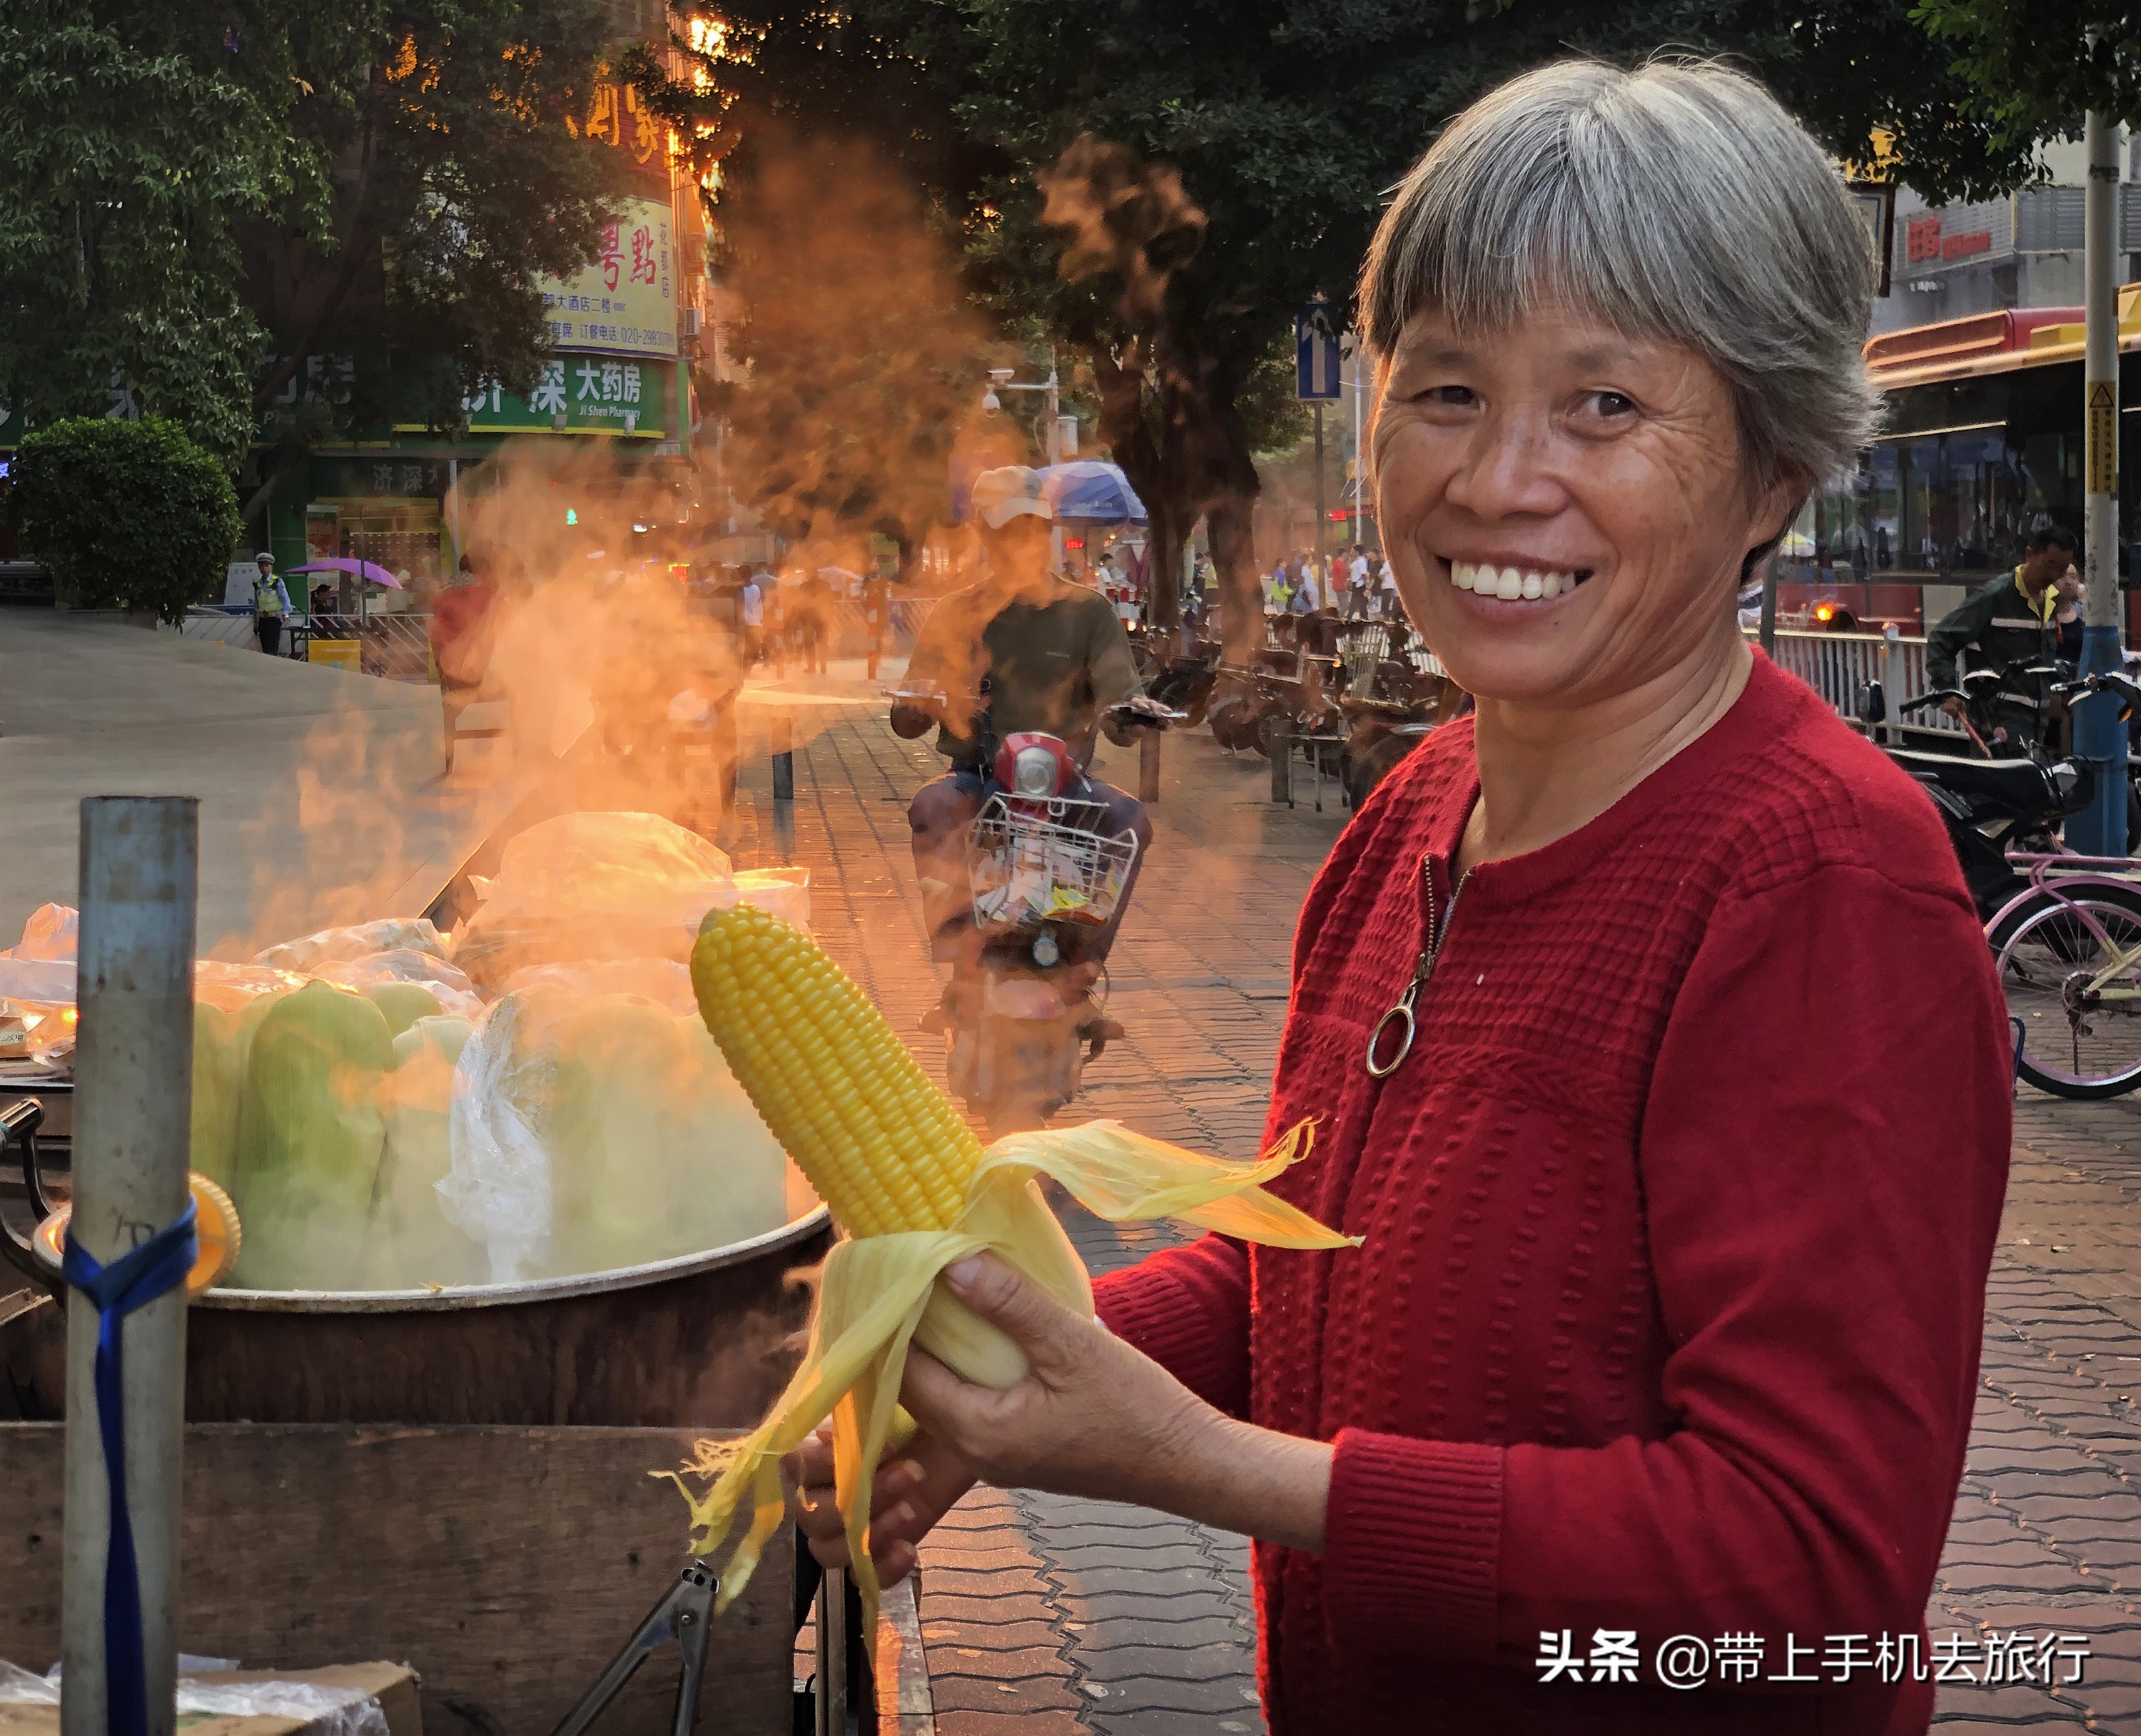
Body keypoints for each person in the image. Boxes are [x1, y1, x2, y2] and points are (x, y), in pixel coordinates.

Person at [791, 59, 2009, 1736]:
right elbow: (1310, 1268)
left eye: (1602, 407)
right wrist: (982, 1354)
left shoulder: (1821, 883)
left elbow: (1810, 1567)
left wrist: (1201, 1465)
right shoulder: (1413, 811)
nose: (1497, 480)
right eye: (1443, 391)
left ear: (1772, 471)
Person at [895, 465, 1167, 980]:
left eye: (1034, 528)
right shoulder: (956, 613)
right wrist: (921, 705)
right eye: (1007, 530)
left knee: (1131, 822)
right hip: (978, 779)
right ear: (983, 534)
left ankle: (1087, 961)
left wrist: (1134, 716)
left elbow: (1120, 701)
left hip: (1066, 785)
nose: (1023, 542)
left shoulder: (1087, 611)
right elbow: (908, 716)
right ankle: (957, 946)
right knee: (931, 807)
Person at [1923, 524, 2079, 749]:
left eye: (2062, 569)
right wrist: (1946, 689)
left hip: (2037, 729)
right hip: (1995, 726)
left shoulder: (2051, 602)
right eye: (2049, 565)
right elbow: (1941, 638)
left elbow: (2040, 665)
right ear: (2029, 554)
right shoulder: (1995, 597)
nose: (2054, 575)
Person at [250, 552, 292, 654]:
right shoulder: (258, 584)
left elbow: (285, 599)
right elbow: (256, 604)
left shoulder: (277, 582)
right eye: (261, 565)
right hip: (262, 620)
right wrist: (256, 623)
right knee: (265, 649)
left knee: (272, 649)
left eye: (266, 565)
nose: (264, 568)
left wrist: (286, 614)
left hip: (274, 619)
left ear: (271, 567)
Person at [739, 569, 766, 666]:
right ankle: (748, 667)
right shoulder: (758, 589)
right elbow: (762, 602)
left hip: (744, 623)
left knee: (747, 647)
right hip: (756, 622)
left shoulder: (740, 590)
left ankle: (747, 667)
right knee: (754, 647)